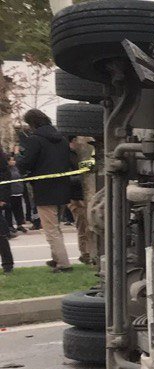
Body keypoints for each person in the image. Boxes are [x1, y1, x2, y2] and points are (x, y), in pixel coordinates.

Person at [17, 109, 74, 272]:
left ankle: (64, 263)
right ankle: (57, 258)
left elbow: (27, 163)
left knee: (50, 229)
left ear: (32, 123)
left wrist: (20, 159)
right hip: (62, 186)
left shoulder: (35, 140)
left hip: (44, 188)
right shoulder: (62, 139)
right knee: (56, 227)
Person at [67, 136, 98, 264]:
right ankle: (85, 253)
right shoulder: (68, 156)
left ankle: (92, 252)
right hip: (77, 197)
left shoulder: (89, 154)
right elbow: (69, 178)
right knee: (82, 227)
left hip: (90, 195)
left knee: (92, 226)